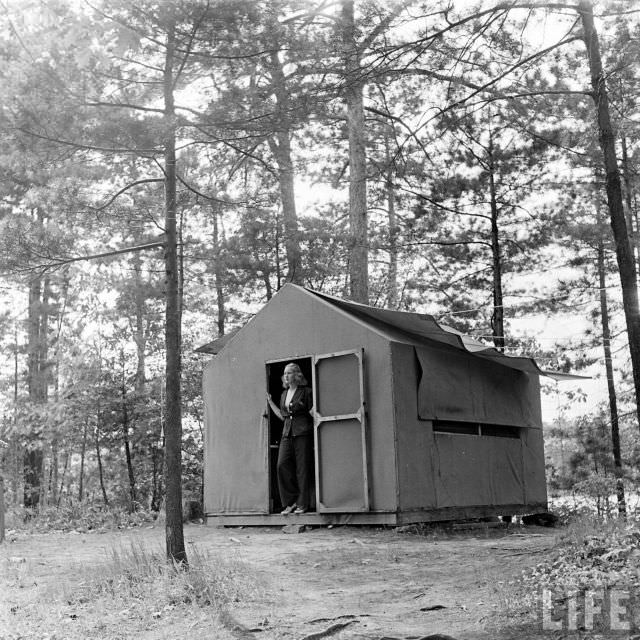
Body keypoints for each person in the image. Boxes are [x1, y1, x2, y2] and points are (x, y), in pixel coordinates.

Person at [267, 363, 314, 515]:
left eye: (289, 373)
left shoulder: (307, 392)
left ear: (297, 375)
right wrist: (270, 403)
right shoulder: (283, 394)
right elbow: (283, 415)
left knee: (302, 469)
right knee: (282, 465)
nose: (286, 376)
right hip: (286, 433)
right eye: (285, 373)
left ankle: (303, 504)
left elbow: (313, 411)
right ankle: (291, 502)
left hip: (303, 432)